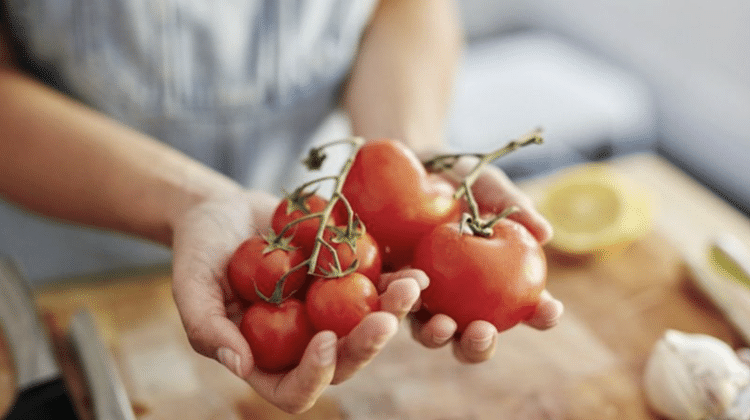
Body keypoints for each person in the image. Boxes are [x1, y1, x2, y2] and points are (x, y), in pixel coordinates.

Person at [0, 0, 563, 414]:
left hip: (311, 227)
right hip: (70, 266)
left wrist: (403, 151)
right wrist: (190, 202)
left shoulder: (332, 253)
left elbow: (406, 6)